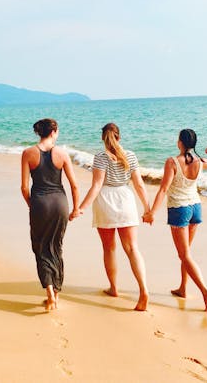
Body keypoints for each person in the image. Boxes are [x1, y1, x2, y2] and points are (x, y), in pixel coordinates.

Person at [72, 123, 152, 311]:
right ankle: (144, 290)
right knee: (133, 249)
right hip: (125, 199)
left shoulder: (100, 157)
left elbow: (97, 185)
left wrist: (81, 208)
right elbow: (139, 184)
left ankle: (114, 288)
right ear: (119, 137)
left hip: (105, 202)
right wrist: (147, 208)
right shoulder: (130, 156)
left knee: (109, 248)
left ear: (103, 138)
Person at [144, 129, 207, 311]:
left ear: (180, 142)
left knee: (184, 255)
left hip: (179, 209)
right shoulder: (199, 162)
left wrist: (151, 212)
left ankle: (205, 292)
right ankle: (183, 288)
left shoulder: (172, 162)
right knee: (186, 254)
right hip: (195, 208)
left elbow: (163, 189)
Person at [21, 118, 79, 311]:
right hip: (60, 204)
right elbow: (74, 185)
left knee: (40, 246)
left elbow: (23, 188)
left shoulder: (28, 153)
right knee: (56, 246)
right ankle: (57, 293)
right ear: (53, 132)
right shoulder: (62, 154)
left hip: (40, 203)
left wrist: (32, 205)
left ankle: (49, 293)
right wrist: (76, 208)